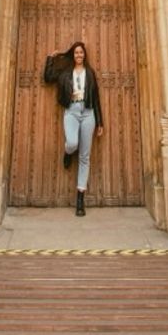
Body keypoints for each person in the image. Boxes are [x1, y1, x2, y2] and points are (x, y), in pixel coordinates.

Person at [43, 41, 104, 216]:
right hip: (71, 112)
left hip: (88, 113)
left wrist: (100, 122)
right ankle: (68, 152)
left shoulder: (90, 74)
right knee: (72, 143)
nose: (79, 55)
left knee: (85, 157)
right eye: (76, 53)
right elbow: (47, 78)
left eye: (81, 53)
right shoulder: (65, 73)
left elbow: (96, 98)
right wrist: (50, 58)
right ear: (73, 54)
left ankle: (80, 200)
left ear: (84, 55)